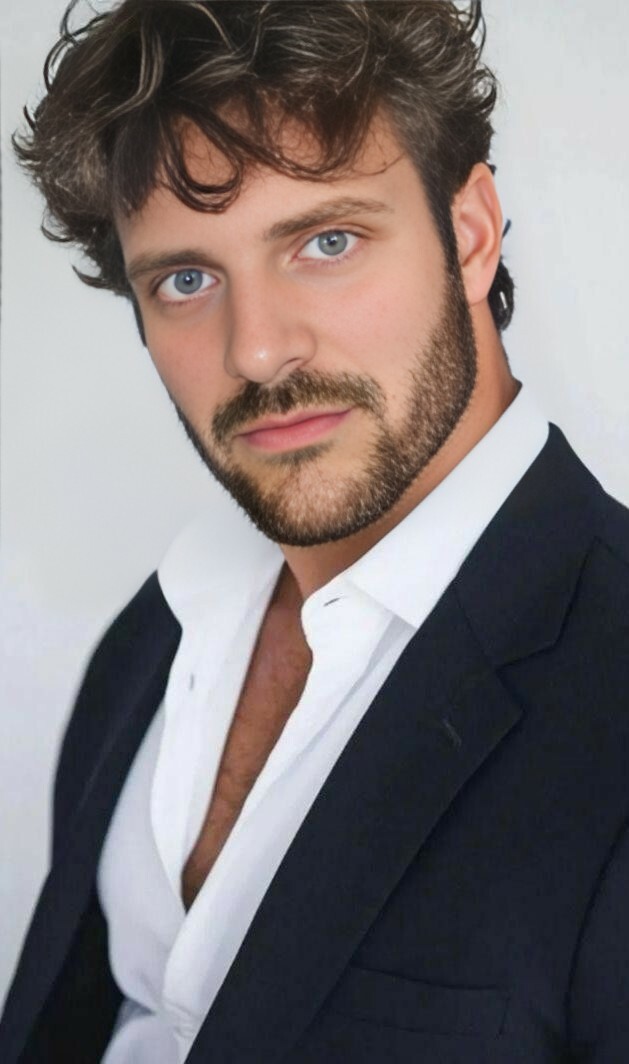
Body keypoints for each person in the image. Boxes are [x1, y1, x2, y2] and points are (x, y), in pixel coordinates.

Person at [2, 0, 629, 1060]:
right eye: (187, 278)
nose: (256, 349)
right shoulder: (158, 637)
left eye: (326, 241)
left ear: (469, 235)